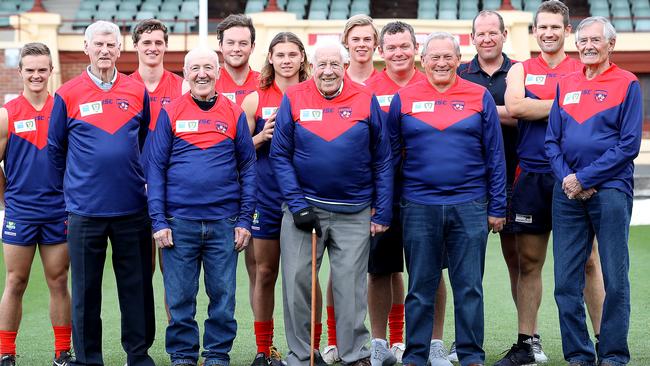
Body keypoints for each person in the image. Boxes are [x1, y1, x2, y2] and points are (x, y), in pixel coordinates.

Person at [270, 40, 393, 366]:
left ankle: (355, 354)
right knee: (297, 284)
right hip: (304, 211)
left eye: (334, 65)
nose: (327, 71)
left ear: (344, 66)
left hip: (354, 211)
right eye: (321, 65)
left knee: (350, 287)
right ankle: (301, 354)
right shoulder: (294, 97)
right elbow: (279, 155)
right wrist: (298, 206)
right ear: (312, 66)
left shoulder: (365, 99)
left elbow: (382, 158)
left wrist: (382, 209)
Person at [389, 31, 506, 366]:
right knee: (420, 288)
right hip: (418, 205)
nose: (441, 63)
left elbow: (495, 156)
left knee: (469, 287)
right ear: (422, 60)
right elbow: (390, 158)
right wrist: (391, 206)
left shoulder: (479, 95)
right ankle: (416, 356)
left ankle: (471, 355)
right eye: (434, 57)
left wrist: (497, 206)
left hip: (470, 205)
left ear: (459, 60)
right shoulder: (404, 98)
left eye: (447, 57)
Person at [501, 2, 605, 364]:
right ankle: (526, 344)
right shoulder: (520, 69)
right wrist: (568, 100)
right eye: (541, 27)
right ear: (534, 31)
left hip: (576, 177)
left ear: (567, 30)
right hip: (531, 175)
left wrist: (540, 104)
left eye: (555, 27)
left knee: (589, 261)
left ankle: (602, 339)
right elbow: (515, 107)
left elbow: (592, 109)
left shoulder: (585, 67)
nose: (548, 33)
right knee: (529, 262)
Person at [48, 20, 155, 366]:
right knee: (85, 292)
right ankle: (88, 359)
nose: (105, 51)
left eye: (111, 46)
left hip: (132, 208)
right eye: (99, 45)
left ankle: (138, 356)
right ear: (86, 48)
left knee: (136, 288)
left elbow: (141, 140)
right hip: (85, 211)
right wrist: (74, 189)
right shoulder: (67, 93)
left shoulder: (137, 92)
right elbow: (55, 149)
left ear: (120, 49)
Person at [147, 46, 256, 366]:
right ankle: (182, 355)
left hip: (224, 221)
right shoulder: (171, 111)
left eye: (208, 67)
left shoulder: (233, 111)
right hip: (179, 222)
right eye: (195, 68)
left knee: (222, 297)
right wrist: (158, 221)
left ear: (218, 72)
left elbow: (248, 168)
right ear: (185, 73)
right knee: (180, 298)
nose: (202, 74)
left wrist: (245, 220)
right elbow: (155, 168)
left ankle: (217, 355)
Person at [546, 16, 641, 366]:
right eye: (583, 40)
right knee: (565, 282)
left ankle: (613, 354)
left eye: (595, 40)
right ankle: (579, 355)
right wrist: (569, 179)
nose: (587, 45)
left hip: (611, 190)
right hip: (567, 193)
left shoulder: (627, 83)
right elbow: (551, 141)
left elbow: (628, 144)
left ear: (610, 45)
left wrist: (585, 178)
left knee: (615, 278)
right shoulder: (565, 83)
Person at [364, 21, 451, 366]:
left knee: (432, 270)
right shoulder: (367, 89)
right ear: (380, 52)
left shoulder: (434, 82)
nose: (398, 53)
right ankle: (378, 343)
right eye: (391, 47)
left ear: (416, 49)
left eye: (405, 46)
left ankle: (434, 343)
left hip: (427, 194)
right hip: (381, 195)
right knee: (379, 270)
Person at [241, 31, 310, 366]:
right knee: (265, 272)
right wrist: (261, 136)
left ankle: (313, 346)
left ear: (301, 58)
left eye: (292, 54)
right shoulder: (255, 98)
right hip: (265, 198)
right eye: (279, 54)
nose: (286, 60)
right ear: (270, 57)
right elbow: (236, 150)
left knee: (304, 276)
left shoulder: (313, 93)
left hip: (305, 197)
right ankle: (263, 349)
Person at [0, 42, 72, 366]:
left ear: (51, 70)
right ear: (20, 72)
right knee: (15, 281)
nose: (36, 75)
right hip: (20, 211)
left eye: (42, 69)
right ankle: (6, 354)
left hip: (59, 210)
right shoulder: (7, 114)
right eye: (30, 70)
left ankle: (61, 353)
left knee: (58, 281)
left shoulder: (64, 109)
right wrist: (7, 197)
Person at [456, 11, 517, 364]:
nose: (487, 38)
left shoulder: (519, 70)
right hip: (469, 185)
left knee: (519, 263)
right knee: (466, 271)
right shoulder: (461, 72)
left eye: (493, 32)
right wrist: (508, 110)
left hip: (515, 177)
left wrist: (481, 108)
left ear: (504, 35)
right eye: (481, 33)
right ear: (472, 38)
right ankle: (460, 342)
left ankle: (529, 338)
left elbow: (523, 110)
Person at [321, 15, 381, 365]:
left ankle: (390, 340)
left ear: (376, 43)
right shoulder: (327, 78)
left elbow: (382, 149)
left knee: (385, 270)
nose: (361, 44)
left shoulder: (385, 80)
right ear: (347, 44)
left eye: (367, 38)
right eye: (354, 38)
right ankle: (336, 340)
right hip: (338, 196)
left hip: (380, 192)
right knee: (340, 272)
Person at [215, 14, 259, 106]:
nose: (236, 49)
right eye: (230, 43)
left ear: (252, 47)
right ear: (220, 46)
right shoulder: (210, 83)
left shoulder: (265, 83)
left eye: (243, 43)